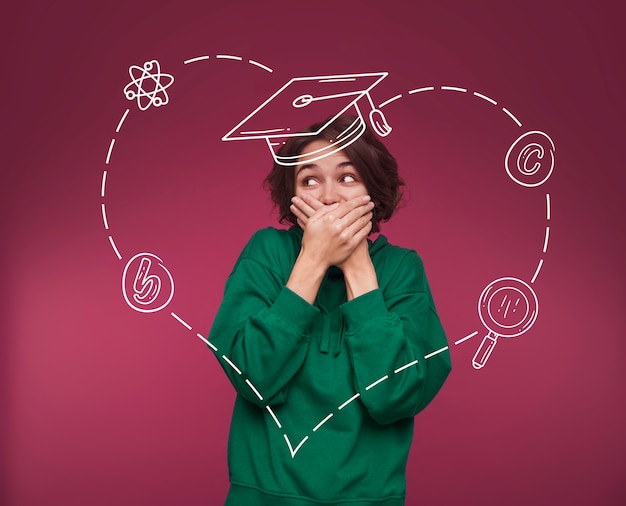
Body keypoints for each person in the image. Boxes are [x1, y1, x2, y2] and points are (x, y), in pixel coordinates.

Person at [208, 115, 451, 505]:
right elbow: (253, 377)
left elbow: (396, 396)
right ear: (293, 196)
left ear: (373, 190)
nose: (328, 196)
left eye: (348, 178)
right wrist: (313, 261)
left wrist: (357, 264)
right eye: (309, 180)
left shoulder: (403, 269)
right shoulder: (267, 254)